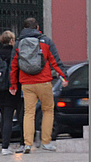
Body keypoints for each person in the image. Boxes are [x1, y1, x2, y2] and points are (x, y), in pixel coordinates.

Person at [10, 17, 67, 154]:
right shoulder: (46, 41)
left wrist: (13, 85)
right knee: (48, 110)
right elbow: (55, 61)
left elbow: (13, 66)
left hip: (27, 84)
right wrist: (63, 76)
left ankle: (28, 144)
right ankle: (46, 142)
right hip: (44, 82)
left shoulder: (18, 43)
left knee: (28, 113)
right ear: (37, 27)